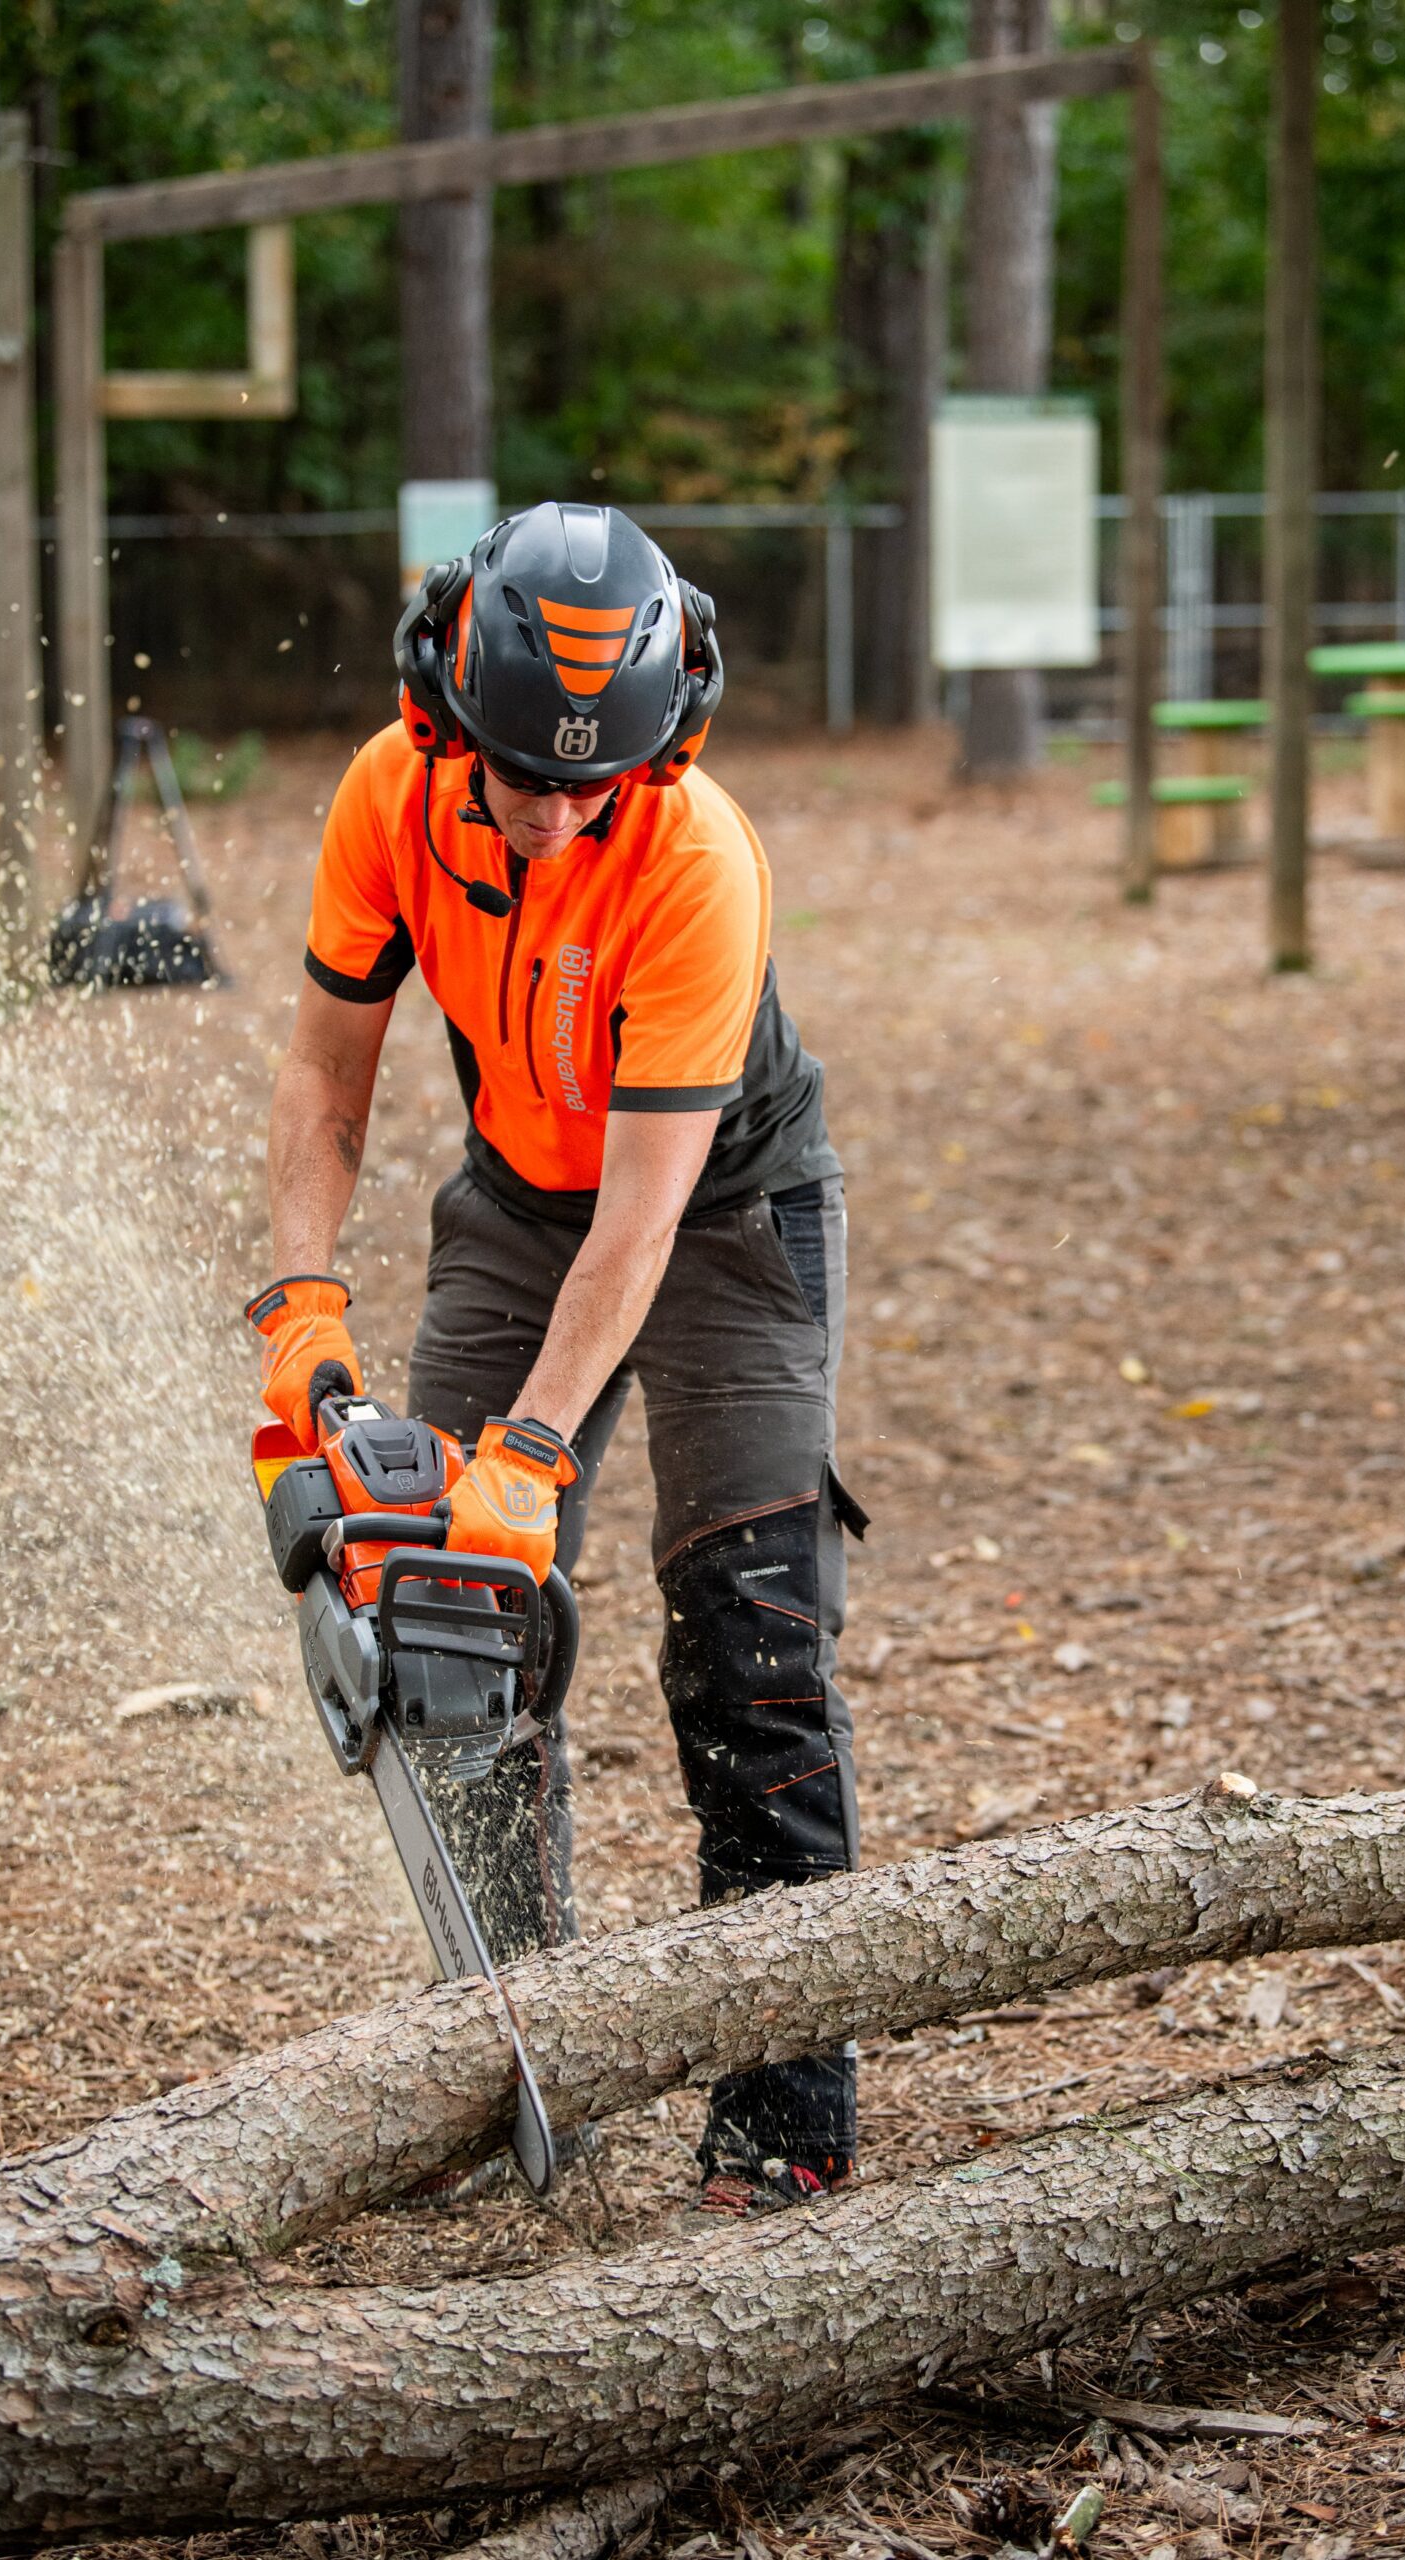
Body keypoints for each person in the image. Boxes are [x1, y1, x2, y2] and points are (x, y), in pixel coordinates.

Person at [246, 501, 866, 2214]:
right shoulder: (389, 794)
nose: (563, 806)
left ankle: (786, 2115)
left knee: (752, 1638)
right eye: (530, 776)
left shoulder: (695, 856)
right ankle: (516, 2061)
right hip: (521, 1208)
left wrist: (530, 1449)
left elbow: (647, 1216)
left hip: (725, 1214)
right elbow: (324, 1076)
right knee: (446, 1616)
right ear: (451, 713)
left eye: (600, 778)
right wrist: (303, 1299)